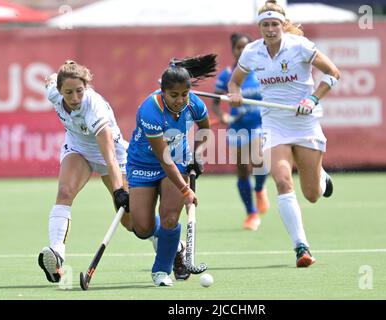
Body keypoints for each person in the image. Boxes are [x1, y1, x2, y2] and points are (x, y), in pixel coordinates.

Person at [228, 0, 340, 268]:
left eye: (274, 24)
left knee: (312, 194)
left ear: (282, 25)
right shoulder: (252, 52)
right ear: (259, 27)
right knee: (282, 181)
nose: (269, 29)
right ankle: (301, 247)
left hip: (305, 123)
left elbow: (333, 73)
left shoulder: (300, 46)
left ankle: (321, 176)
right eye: (265, 25)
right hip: (274, 126)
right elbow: (235, 82)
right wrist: (235, 93)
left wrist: (312, 99)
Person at [38, 60, 132, 283]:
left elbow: (109, 155)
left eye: (79, 91)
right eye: (68, 92)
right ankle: (57, 254)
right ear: (59, 90)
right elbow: (51, 78)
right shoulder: (54, 92)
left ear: (86, 87)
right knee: (65, 192)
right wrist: (54, 76)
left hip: (113, 157)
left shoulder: (94, 107)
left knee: (133, 222)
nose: (74, 98)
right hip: (79, 149)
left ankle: (174, 247)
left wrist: (119, 190)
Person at [126, 54, 216, 286]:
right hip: (144, 163)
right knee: (142, 228)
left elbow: (205, 128)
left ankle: (161, 272)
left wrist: (197, 153)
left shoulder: (194, 103)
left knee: (169, 217)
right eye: (173, 95)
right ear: (162, 92)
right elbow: (163, 159)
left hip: (178, 160)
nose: (179, 100)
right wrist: (186, 190)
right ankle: (174, 245)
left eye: (184, 94)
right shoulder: (150, 110)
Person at [211, 33, 269, 231]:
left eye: (246, 47)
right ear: (233, 50)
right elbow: (216, 103)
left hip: (259, 124)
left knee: (259, 160)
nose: (243, 51)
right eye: (239, 47)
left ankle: (260, 189)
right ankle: (251, 213)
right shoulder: (227, 75)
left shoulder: (262, 71)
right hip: (237, 127)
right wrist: (222, 116)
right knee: (243, 170)